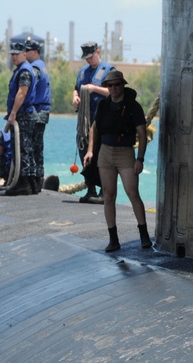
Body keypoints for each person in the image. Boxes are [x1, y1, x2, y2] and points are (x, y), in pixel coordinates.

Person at [83, 69, 151, 252]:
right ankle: (113, 239)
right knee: (108, 195)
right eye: (110, 85)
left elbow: (142, 135)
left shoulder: (133, 107)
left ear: (123, 85)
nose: (113, 88)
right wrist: (90, 151)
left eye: (117, 85)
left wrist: (140, 159)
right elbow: (94, 128)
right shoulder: (104, 105)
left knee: (132, 192)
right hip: (105, 152)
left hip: (125, 153)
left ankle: (144, 235)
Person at [73, 42, 115, 203]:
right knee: (85, 153)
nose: (88, 60)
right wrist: (75, 97)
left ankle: (104, 192)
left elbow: (113, 91)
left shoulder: (109, 71)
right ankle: (90, 188)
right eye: (86, 58)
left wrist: (94, 88)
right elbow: (76, 88)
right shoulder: (83, 72)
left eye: (91, 57)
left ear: (98, 52)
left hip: (102, 120)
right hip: (85, 120)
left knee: (101, 155)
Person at [6, 40, 39, 196]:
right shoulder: (23, 69)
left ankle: (24, 184)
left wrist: (13, 113)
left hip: (23, 115)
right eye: (12, 54)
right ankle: (31, 184)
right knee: (27, 149)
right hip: (25, 114)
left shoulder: (24, 71)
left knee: (23, 149)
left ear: (24, 54)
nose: (14, 57)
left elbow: (22, 93)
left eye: (16, 54)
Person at [25, 37, 52, 194]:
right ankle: (38, 179)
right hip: (43, 110)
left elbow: (29, 90)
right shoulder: (42, 66)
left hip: (37, 111)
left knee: (32, 147)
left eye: (27, 51)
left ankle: (34, 181)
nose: (25, 54)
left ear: (35, 52)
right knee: (38, 146)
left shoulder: (34, 68)